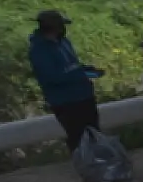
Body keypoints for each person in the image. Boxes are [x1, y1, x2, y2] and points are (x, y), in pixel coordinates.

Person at [29, 10, 103, 151]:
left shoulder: (64, 42)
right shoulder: (39, 50)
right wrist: (78, 75)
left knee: (94, 135)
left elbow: (72, 65)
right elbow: (52, 77)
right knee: (78, 138)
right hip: (66, 102)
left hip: (84, 96)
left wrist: (87, 71)